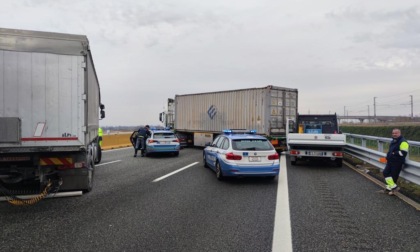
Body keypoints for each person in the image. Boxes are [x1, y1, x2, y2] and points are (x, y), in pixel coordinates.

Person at [383, 128, 409, 195]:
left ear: (399, 133)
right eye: (393, 133)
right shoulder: (393, 141)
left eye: (396, 133)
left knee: (393, 176)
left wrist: (395, 153)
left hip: (397, 162)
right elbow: (391, 151)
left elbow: (403, 153)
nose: (394, 134)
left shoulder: (403, 142)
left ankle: (390, 189)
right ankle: (394, 187)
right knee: (385, 173)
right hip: (390, 160)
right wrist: (388, 156)